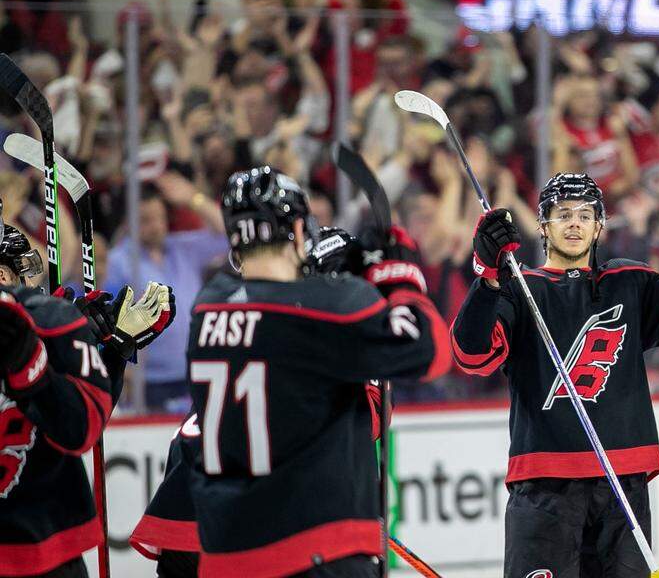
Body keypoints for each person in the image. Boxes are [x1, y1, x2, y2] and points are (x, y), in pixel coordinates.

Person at [450, 167, 659, 577]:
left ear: (599, 226)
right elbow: (471, 356)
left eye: (584, 214)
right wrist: (486, 277)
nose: (574, 222)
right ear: (543, 225)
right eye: (562, 213)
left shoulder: (628, 281)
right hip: (544, 489)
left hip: (622, 486)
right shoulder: (519, 290)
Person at [185, 168, 450, 577]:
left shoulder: (208, 306)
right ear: (296, 229)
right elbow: (429, 351)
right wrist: (398, 276)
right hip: (315, 548)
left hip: (227, 552)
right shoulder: (324, 306)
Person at [0, 217, 175, 577]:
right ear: (4, 277)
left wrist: (109, 351)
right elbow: (80, 429)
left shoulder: (42, 320)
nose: (33, 282)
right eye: (24, 271)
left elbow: (83, 423)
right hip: (40, 539)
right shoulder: (40, 323)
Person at [104, 181, 228, 412]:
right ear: (128, 222)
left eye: (160, 217)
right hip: (148, 384)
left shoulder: (183, 248)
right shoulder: (117, 262)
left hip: (192, 372)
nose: (157, 226)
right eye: (146, 220)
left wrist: (194, 199)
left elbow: (229, 235)